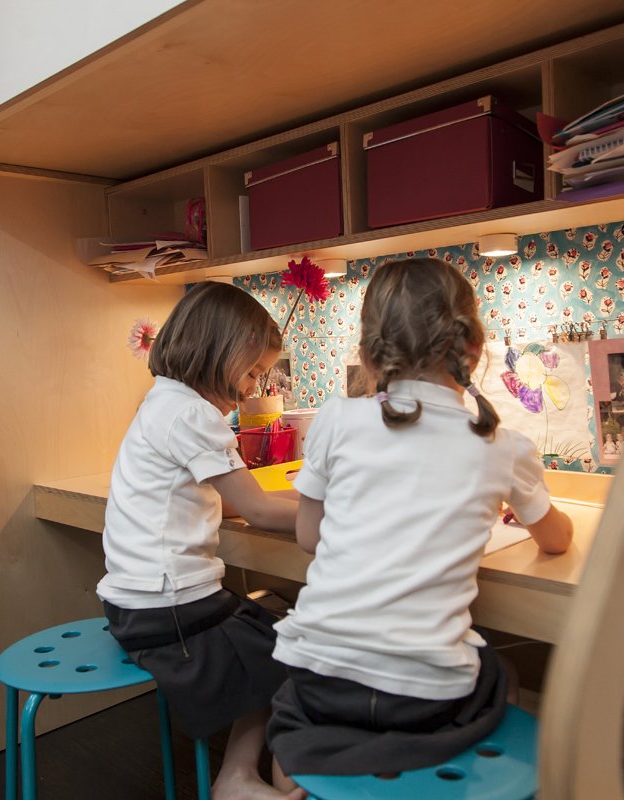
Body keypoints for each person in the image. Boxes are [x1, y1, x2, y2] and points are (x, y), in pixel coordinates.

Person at [267, 257, 574, 777]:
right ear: (474, 348)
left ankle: (308, 778)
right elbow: (557, 541)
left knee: (292, 722)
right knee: (509, 672)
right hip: (425, 698)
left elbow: (309, 536)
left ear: (367, 354)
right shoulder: (505, 446)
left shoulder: (336, 420)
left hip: (321, 681)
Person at [98, 281, 304, 800]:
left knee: (266, 634)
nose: (255, 387)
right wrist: (336, 521)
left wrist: (311, 507)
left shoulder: (166, 403)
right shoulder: (193, 414)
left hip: (140, 600)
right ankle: (256, 778)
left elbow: (233, 501)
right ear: (222, 352)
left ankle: (237, 775)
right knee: (291, 653)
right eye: (254, 372)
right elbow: (255, 508)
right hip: (166, 605)